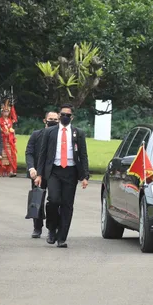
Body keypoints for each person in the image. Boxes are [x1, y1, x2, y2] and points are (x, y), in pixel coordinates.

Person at [35, 104, 89, 248]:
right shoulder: (50, 132)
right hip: (54, 171)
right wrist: (39, 174)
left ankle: (62, 237)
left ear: (72, 117)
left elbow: (83, 155)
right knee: (53, 200)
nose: (65, 117)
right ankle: (52, 228)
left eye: (68, 115)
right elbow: (43, 153)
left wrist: (85, 176)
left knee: (67, 205)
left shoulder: (79, 133)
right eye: (63, 114)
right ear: (59, 116)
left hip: (70, 172)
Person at [25, 111, 59, 238]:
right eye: (50, 119)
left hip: (54, 173)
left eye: (55, 119)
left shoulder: (60, 136)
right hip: (38, 173)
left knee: (54, 201)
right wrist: (31, 168)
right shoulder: (36, 135)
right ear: (45, 120)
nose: (53, 121)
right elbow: (29, 152)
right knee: (37, 199)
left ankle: (52, 228)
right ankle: (37, 227)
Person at [0, 95, 17, 177]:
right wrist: (4, 132)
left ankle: (10, 171)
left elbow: (12, 129)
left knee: (11, 155)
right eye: (4, 111)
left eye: (7, 111)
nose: (6, 113)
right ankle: (1, 171)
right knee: (2, 155)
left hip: (10, 141)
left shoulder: (10, 121)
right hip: (2, 140)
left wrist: (12, 134)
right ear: (1, 112)